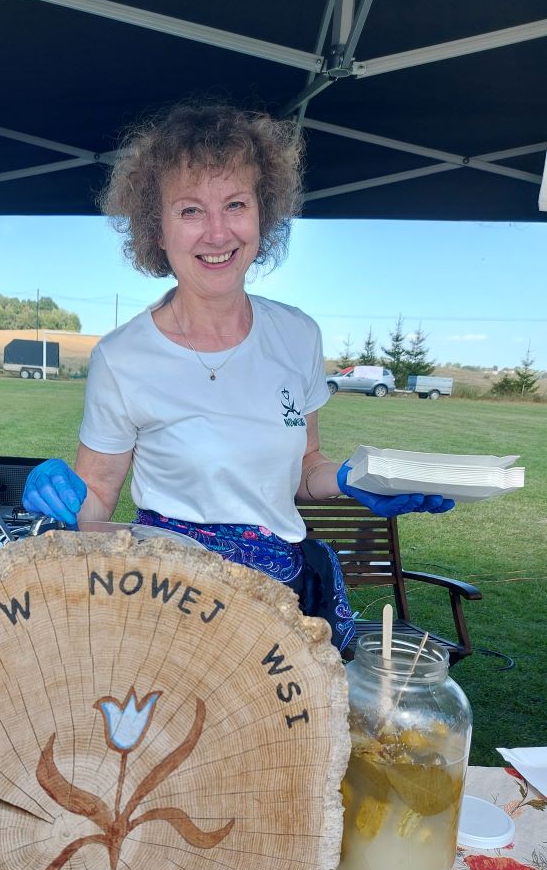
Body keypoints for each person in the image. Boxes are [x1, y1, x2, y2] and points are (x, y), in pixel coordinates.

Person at [23, 103, 453, 651]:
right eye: (190, 211)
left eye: (235, 204)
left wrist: (354, 480)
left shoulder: (297, 335)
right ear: (156, 229)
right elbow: (100, 497)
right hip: (169, 603)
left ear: (262, 215)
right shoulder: (122, 356)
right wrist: (61, 496)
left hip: (281, 603)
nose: (218, 231)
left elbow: (304, 469)